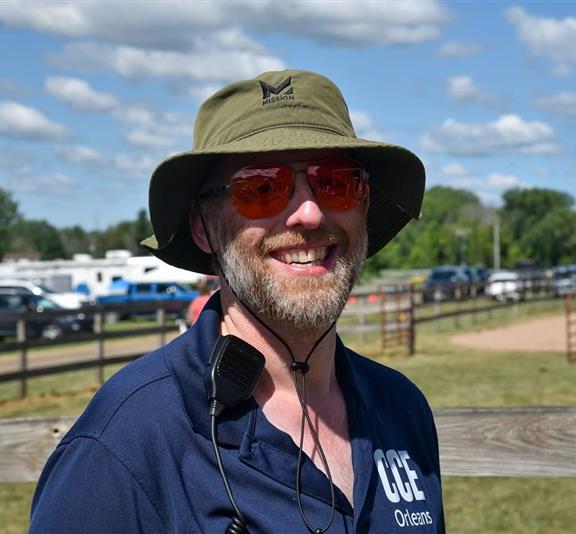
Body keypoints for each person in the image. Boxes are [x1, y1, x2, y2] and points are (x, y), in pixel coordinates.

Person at [30, 70, 444, 533]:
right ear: (204, 227)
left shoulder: (402, 410)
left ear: (364, 205)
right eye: (262, 186)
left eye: (336, 182)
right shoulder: (123, 446)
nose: (309, 213)